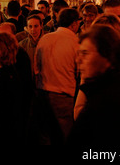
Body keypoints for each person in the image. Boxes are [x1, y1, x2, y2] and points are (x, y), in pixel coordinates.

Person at [67, 24, 120, 146]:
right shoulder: (101, 92)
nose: (78, 60)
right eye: (79, 53)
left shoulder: (109, 101)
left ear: (106, 56)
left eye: (85, 53)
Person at [34, 8, 80, 144]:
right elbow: (79, 73)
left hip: (42, 93)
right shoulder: (75, 43)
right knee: (64, 136)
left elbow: (36, 68)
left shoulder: (45, 39)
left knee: (46, 136)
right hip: (64, 97)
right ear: (74, 24)